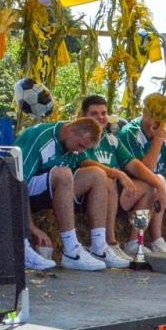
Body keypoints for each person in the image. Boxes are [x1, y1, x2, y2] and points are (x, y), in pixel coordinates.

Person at [16, 116, 109, 271]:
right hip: (24, 187)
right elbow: (18, 182)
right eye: (80, 146)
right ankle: (71, 251)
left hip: (51, 189)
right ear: (70, 131)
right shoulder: (39, 136)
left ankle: (100, 247)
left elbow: (86, 165)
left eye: (84, 149)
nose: (80, 151)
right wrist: (30, 227)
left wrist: (119, 175)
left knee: (98, 174)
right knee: (64, 174)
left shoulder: (73, 145)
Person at [75, 95, 156, 264]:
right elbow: (85, 162)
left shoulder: (111, 139)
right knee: (106, 179)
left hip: (115, 197)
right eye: (94, 113)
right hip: (88, 194)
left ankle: (134, 243)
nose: (100, 117)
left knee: (148, 187)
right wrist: (118, 173)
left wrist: (160, 186)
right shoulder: (79, 136)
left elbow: (134, 165)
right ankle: (109, 242)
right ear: (83, 115)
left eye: (104, 113)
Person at [116, 95, 166, 252]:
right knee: (155, 181)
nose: (157, 119)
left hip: (161, 187)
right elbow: (144, 171)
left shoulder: (165, 133)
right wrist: (158, 141)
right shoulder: (130, 133)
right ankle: (144, 239)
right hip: (135, 187)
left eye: (162, 116)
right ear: (144, 112)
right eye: (153, 114)